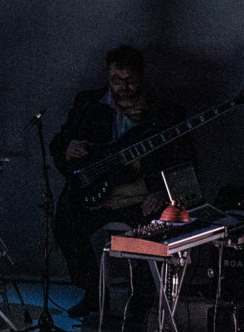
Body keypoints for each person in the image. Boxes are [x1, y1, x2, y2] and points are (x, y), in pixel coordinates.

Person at [48, 45, 192, 314]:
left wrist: (162, 192)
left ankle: (142, 303)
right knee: (66, 224)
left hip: (139, 199)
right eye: (116, 80)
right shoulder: (88, 104)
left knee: (156, 230)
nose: (123, 87)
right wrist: (67, 148)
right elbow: (58, 143)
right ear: (108, 76)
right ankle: (94, 293)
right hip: (94, 195)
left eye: (130, 80)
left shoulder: (164, 112)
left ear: (141, 77)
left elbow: (184, 158)